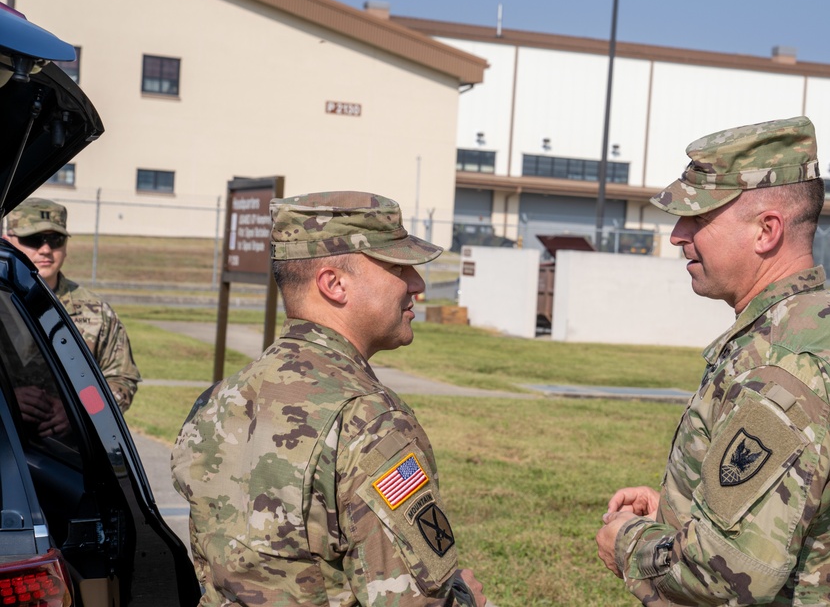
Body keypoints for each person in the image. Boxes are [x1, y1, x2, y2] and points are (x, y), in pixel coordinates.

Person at [596, 116, 830, 605]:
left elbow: (728, 572)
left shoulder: (784, 365)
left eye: (697, 219)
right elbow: (796, 512)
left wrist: (628, 542)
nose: (678, 235)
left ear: (766, 231)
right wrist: (679, 514)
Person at [172, 191, 487, 606]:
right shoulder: (370, 421)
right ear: (334, 284)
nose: (418, 284)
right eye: (397, 266)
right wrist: (467, 598)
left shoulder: (217, 399)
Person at [4, 197, 142, 412]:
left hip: (70, 443)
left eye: (56, 240)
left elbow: (121, 380)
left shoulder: (97, 312)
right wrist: (7, 400)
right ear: (6, 241)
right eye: (33, 239)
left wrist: (78, 411)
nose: (46, 249)